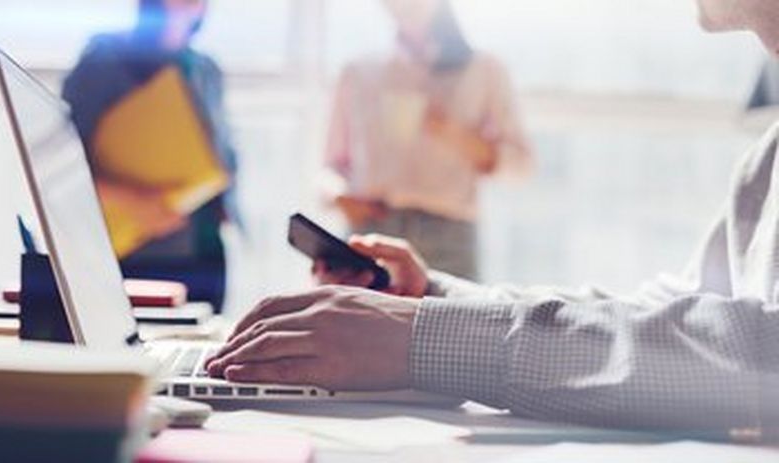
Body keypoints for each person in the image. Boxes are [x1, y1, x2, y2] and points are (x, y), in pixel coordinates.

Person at [207, 0, 779, 432]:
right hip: (388, 223)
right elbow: (680, 318)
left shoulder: (479, 70)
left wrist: (421, 339)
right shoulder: (768, 156)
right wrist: (434, 299)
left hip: (449, 221)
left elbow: (759, 356)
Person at [323, 0, 533, 280]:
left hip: (449, 235)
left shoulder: (484, 70)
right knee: (358, 323)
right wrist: (337, 195)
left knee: (456, 324)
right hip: (371, 230)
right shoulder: (358, 71)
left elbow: (521, 166)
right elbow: (329, 166)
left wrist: (454, 134)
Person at [62, 0, 242, 312]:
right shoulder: (103, 60)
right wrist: (136, 201)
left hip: (204, 251)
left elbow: (221, 148)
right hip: (133, 253)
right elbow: (62, 166)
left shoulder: (205, 68)